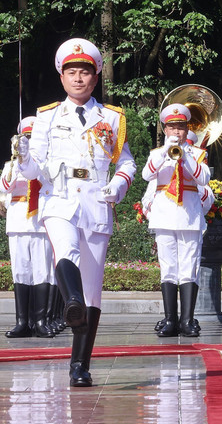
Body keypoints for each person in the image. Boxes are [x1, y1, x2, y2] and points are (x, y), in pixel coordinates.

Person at [17, 38, 136, 387]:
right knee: (64, 251)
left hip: (96, 203)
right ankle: (71, 301)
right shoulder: (46, 116)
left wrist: (118, 186)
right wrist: (23, 156)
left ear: (96, 77)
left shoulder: (111, 118)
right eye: (72, 72)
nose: (78, 78)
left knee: (93, 291)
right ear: (62, 77)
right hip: (60, 199)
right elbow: (34, 170)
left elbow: (125, 160)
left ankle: (80, 365)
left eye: (85, 72)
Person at [142, 103, 211, 338]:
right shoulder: (156, 154)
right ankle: (170, 319)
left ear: (186, 129)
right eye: (172, 127)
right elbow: (146, 174)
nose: (176, 132)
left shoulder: (198, 154)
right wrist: (165, 152)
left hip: (189, 217)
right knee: (168, 268)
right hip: (164, 216)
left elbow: (204, 179)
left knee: (189, 267)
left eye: (181, 127)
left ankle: (188, 320)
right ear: (164, 129)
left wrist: (186, 157)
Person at [2, 117, 56, 338]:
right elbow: (5, 186)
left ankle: (41, 321)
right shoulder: (10, 165)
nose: (29, 142)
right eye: (25, 138)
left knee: (42, 271)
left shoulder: (48, 163)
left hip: (41, 222)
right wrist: (17, 162)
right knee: (21, 272)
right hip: (18, 221)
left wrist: (30, 162)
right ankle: (22, 322)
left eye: (32, 138)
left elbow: (49, 182)